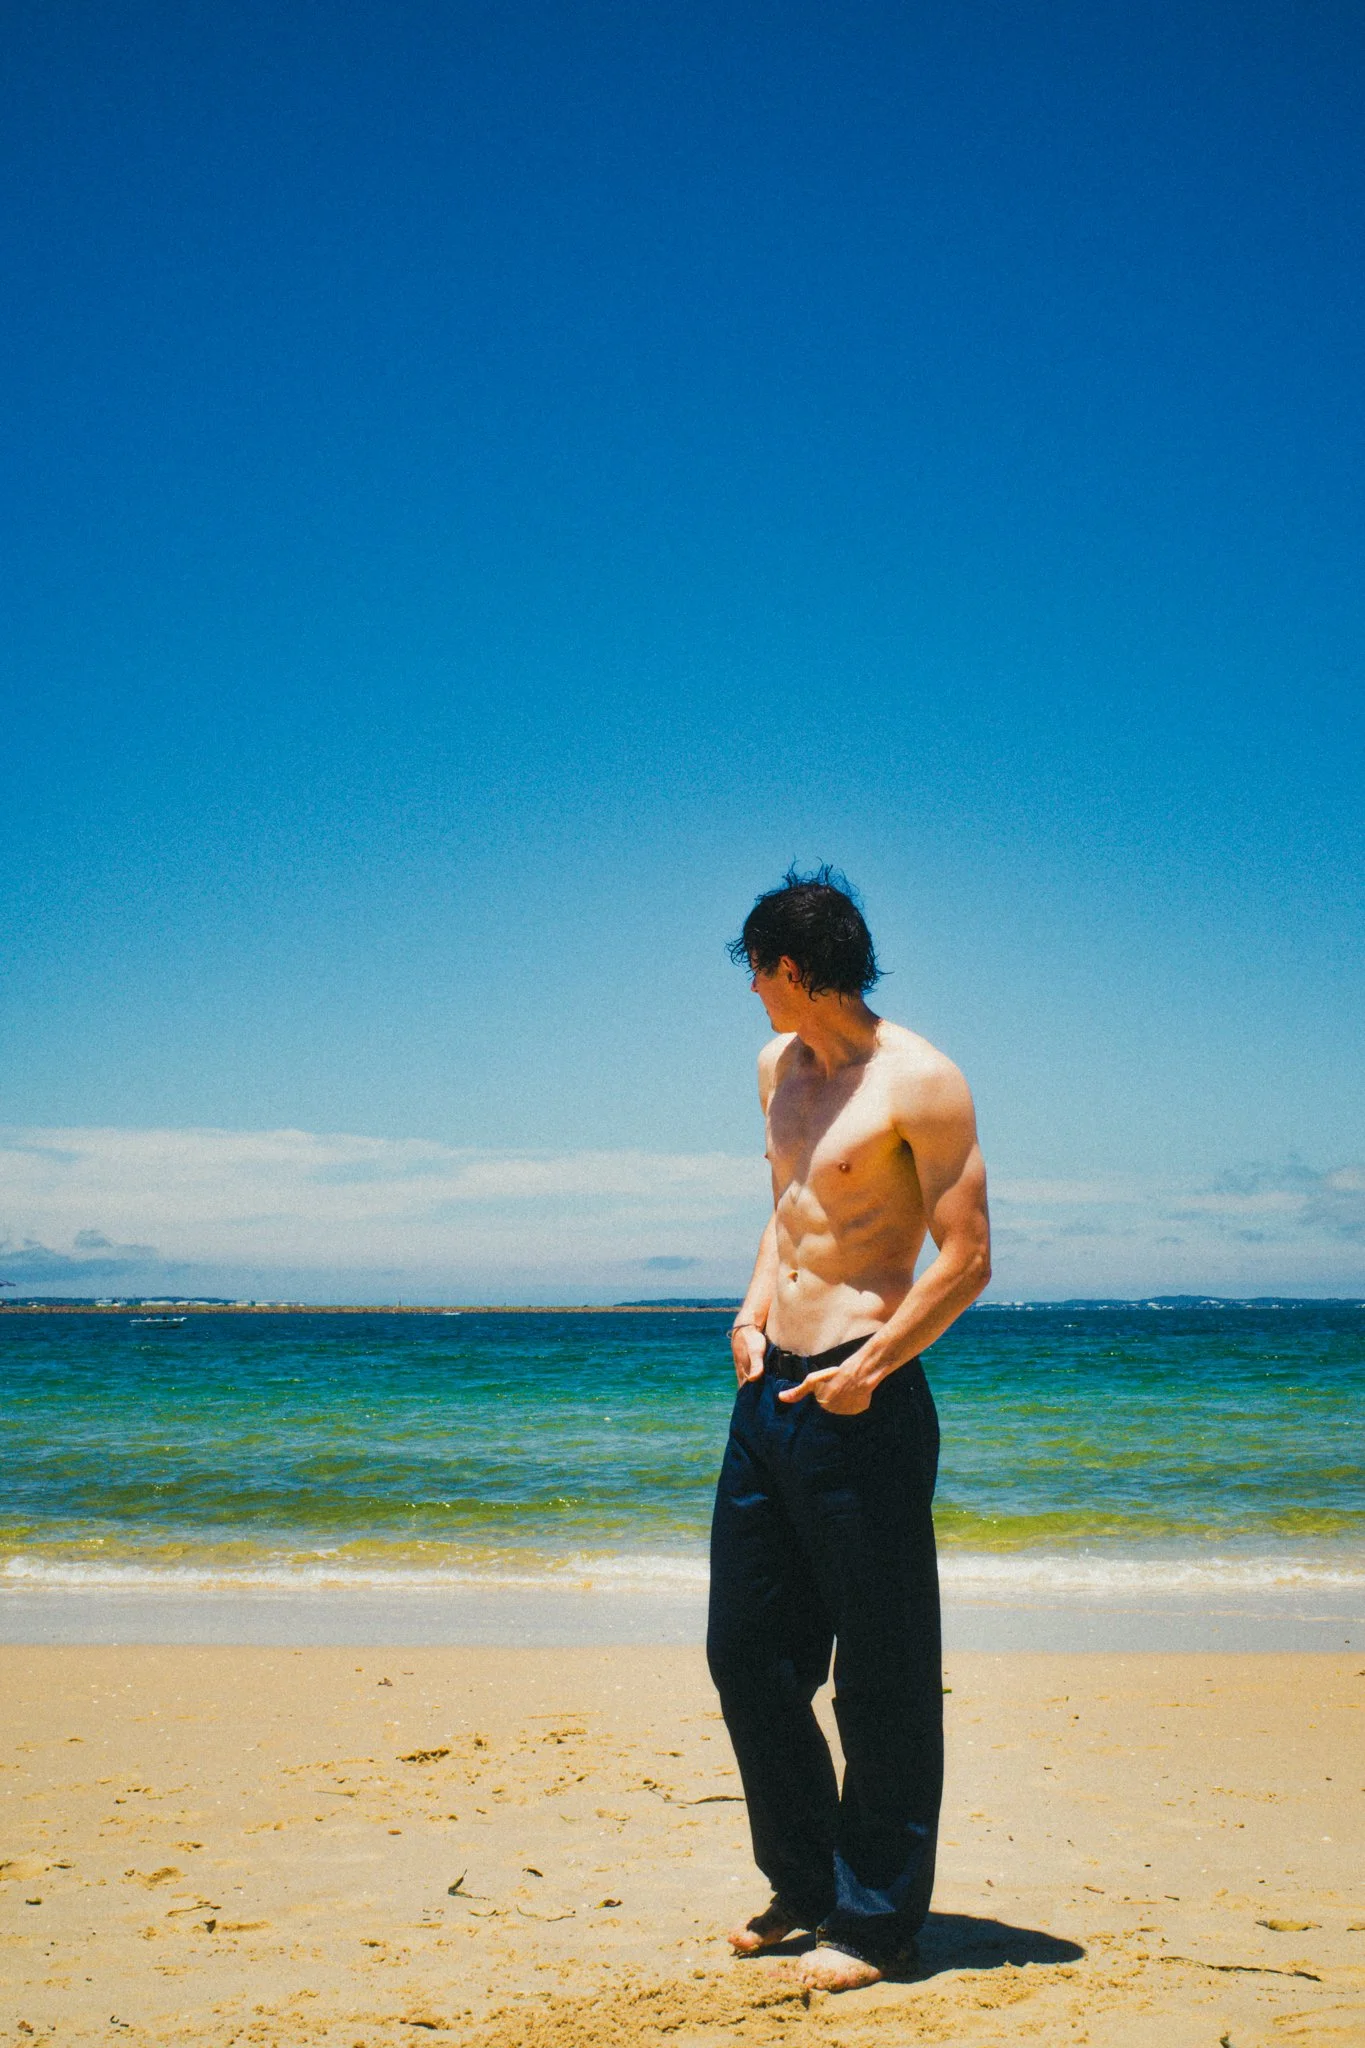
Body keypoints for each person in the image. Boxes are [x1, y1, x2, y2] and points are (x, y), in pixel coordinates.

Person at [707, 867, 991, 1992]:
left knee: (880, 1673)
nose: (755, 995)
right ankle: (808, 1881)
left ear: (792, 969)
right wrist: (746, 1309)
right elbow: (787, 1214)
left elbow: (965, 1258)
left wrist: (872, 1364)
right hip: (767, 1391)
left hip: (864, 1397)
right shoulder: (778, 1067)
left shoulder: (921, 1082)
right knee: (748, 1653)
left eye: (759, 973)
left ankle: (878, 1921)